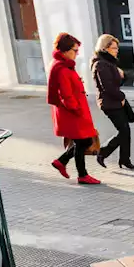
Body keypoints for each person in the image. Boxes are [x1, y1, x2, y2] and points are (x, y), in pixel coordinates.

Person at [47, 33, 101, 185]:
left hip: (72, 111)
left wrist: (77, 82)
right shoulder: (62, 68)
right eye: (75, 50)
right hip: (72, 113)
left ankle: (62, 162)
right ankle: (82, 175)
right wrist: (76, 109)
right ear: (65, 50)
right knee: (84, 141)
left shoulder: (63, 65)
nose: (77, 54)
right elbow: (65, 94)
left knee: (82, 141)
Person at [93, 34, 134, 170]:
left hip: (116, 101)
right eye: (113, 48)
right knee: (124, 130)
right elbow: (108, 87)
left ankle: (124, 159)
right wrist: (122, 97)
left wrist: (122, 75)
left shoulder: (110, 63)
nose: (116, 50)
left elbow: (116, 83)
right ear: (104, 49)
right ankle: (103, 153)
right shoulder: (100, 64)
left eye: (117, 48)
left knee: (125, 130)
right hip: (109, 104)